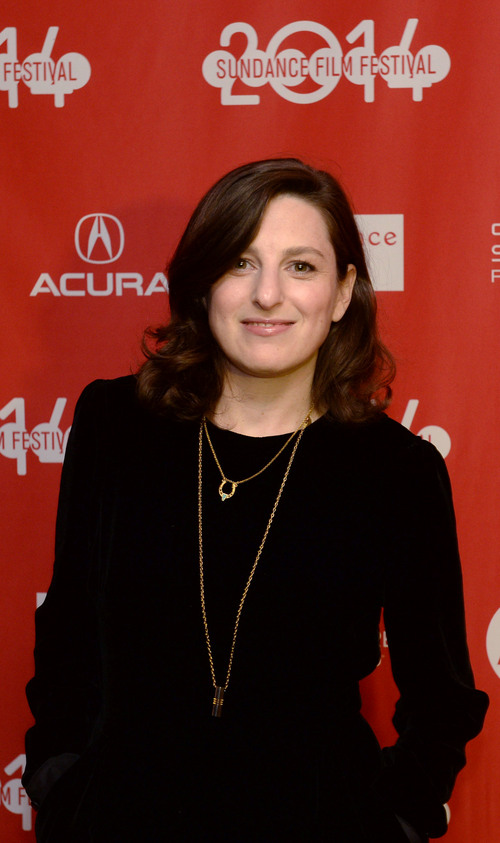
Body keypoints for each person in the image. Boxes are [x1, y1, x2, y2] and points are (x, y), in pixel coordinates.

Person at [23, 158, 488, 842]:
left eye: (301, 266)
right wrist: (60, 783)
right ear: (202, 283)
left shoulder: (398, 471)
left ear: (341, 293)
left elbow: (442, 697)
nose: (268, 294)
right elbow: (68, 633)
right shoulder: (115, 425)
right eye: (241, 262)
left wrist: (394, 821)